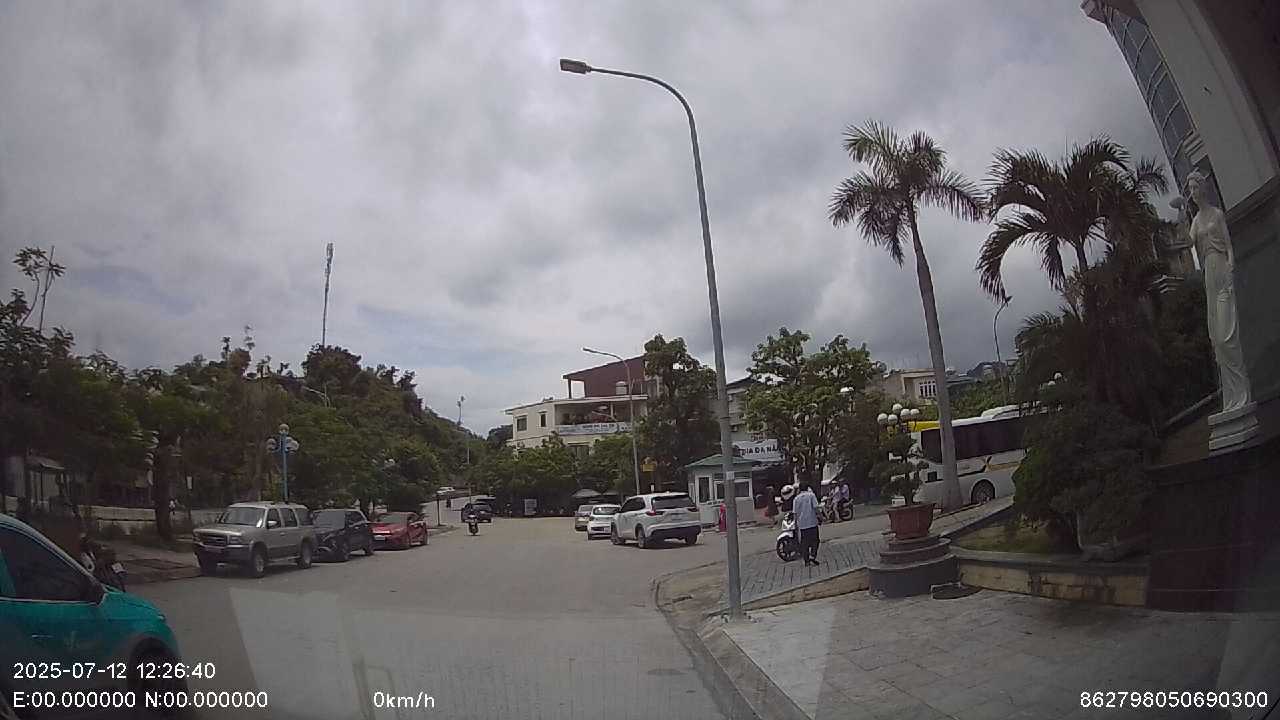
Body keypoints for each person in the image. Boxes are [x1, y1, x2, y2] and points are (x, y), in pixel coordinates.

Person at [793, 483, 820, 566]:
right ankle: (813, 555)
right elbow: (816, 508)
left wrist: (795, 524)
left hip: (802, 524)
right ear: (807, 488)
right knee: (815, 540)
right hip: (812, 522)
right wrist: (821, 517)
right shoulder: (811, 495)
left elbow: (795, 513)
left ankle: (806, 561)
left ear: (799, 489)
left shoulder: (796, 499)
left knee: (804, 543)